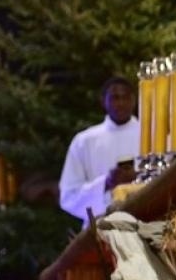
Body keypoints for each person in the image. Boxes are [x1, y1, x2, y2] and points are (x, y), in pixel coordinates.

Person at [58, 76, 141, 221]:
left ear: (134, 100)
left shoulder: (150, 134)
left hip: (144, 219)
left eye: (126, 97)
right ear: (103, 101)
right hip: (101, 225)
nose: (121, 103)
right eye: (115, 98)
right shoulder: (84, 141)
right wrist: (106, 183)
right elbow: (68, 196)